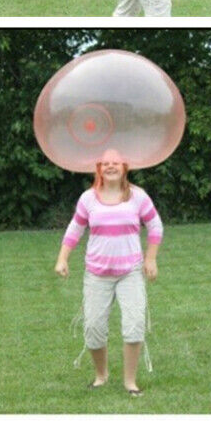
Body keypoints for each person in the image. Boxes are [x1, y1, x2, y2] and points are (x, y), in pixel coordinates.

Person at [54, 150, 163, 396]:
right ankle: (101, 375)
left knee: (134, 324)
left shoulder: (138, 197)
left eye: (116, 163)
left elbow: (155, 225)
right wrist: (62, 258)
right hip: (97, 274)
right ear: (99, 169)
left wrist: (151, 258)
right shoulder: (88, 199)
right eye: (106, 163)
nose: (111, 166)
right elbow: (75, 228)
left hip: (130, 272)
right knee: (93, 328)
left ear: (125, 168)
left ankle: (130, 382)